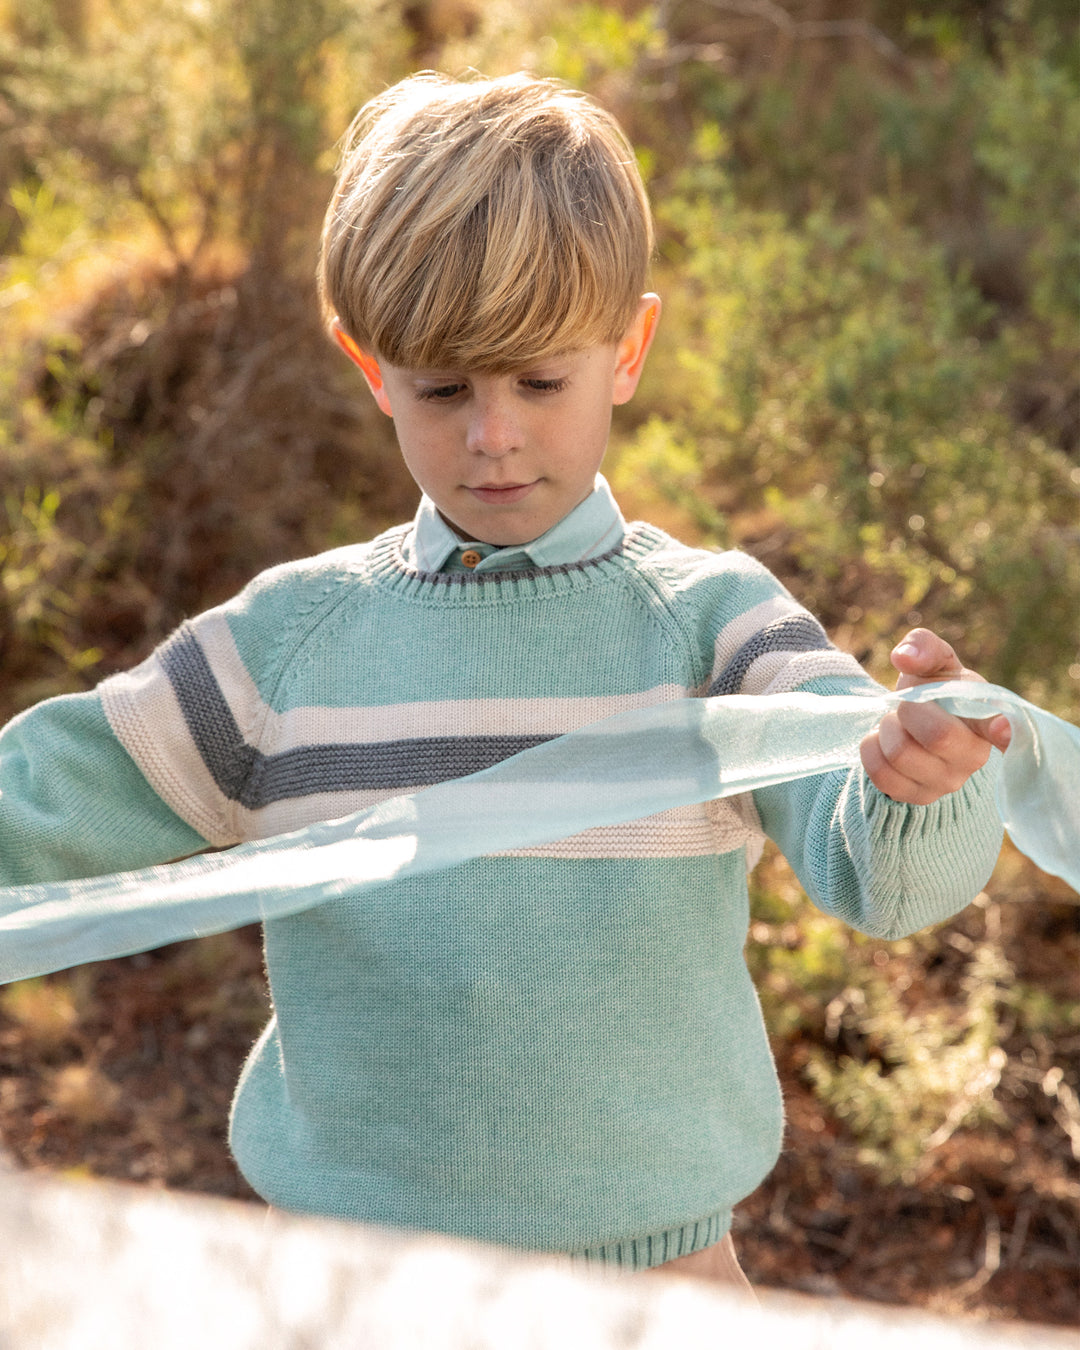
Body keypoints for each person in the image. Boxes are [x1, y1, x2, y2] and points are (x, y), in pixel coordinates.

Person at [0, 72, 1009, 1290]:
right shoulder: (290, 646)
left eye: (539, 383)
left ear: (627, 350)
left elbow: (883, 875)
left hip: (659, 1290)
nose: (493, 437)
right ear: (369, 366)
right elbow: (46, 804)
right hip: (344, 1290)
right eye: (441, 389)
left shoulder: (710, 627)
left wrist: (924, 782)